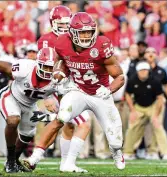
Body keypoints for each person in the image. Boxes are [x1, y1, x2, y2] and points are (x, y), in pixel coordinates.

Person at [24, 12, 125, 171]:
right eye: (82, 32)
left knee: (116, 141)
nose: (86, 36)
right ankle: (35, 157)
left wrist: (109, 90)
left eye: (88, 32)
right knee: (61, 117)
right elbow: (63, 61)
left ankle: (117, 152)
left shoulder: (101, 45)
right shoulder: (62, 42)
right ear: (71, 33)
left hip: (100, 94)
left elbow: (119, 76)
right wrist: (61, 72)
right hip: (78, 91)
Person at [0, 47, 66, 173]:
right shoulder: (24, 68)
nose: (47, 71)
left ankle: (13, 161)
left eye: (51, 67)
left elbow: (64, 107)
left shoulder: (58, 80)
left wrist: (50, 109)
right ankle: (11, 161)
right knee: (13, 121)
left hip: (30, 105)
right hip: (11, 97)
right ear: (37, 63)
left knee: (27, 135)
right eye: (44, 66)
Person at [37, 5, 92, 172]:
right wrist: (47, 95)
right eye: (60, 23)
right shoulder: (45, 40)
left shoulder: (73, 37)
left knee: (68, 125)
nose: (63, 27)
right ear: (53, 23)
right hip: (56, 89)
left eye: (66, 23)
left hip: (72, 87)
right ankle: (37, 157)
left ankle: (64, 163)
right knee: (81, 123)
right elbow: (43, 70)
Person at [123, 61, 167, 160]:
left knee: (157, 126)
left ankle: (164, 153)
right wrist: (132, 111)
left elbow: (160, 98)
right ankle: (128, 152)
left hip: (153, 105)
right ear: (137, 72)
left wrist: (156, 116)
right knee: (132, 127)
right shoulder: (132, 80)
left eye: (146, 70)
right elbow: (127, 94)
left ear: (148, 71)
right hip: (138, 107)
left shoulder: (155, 81)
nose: (144, 72)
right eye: (141, 70)